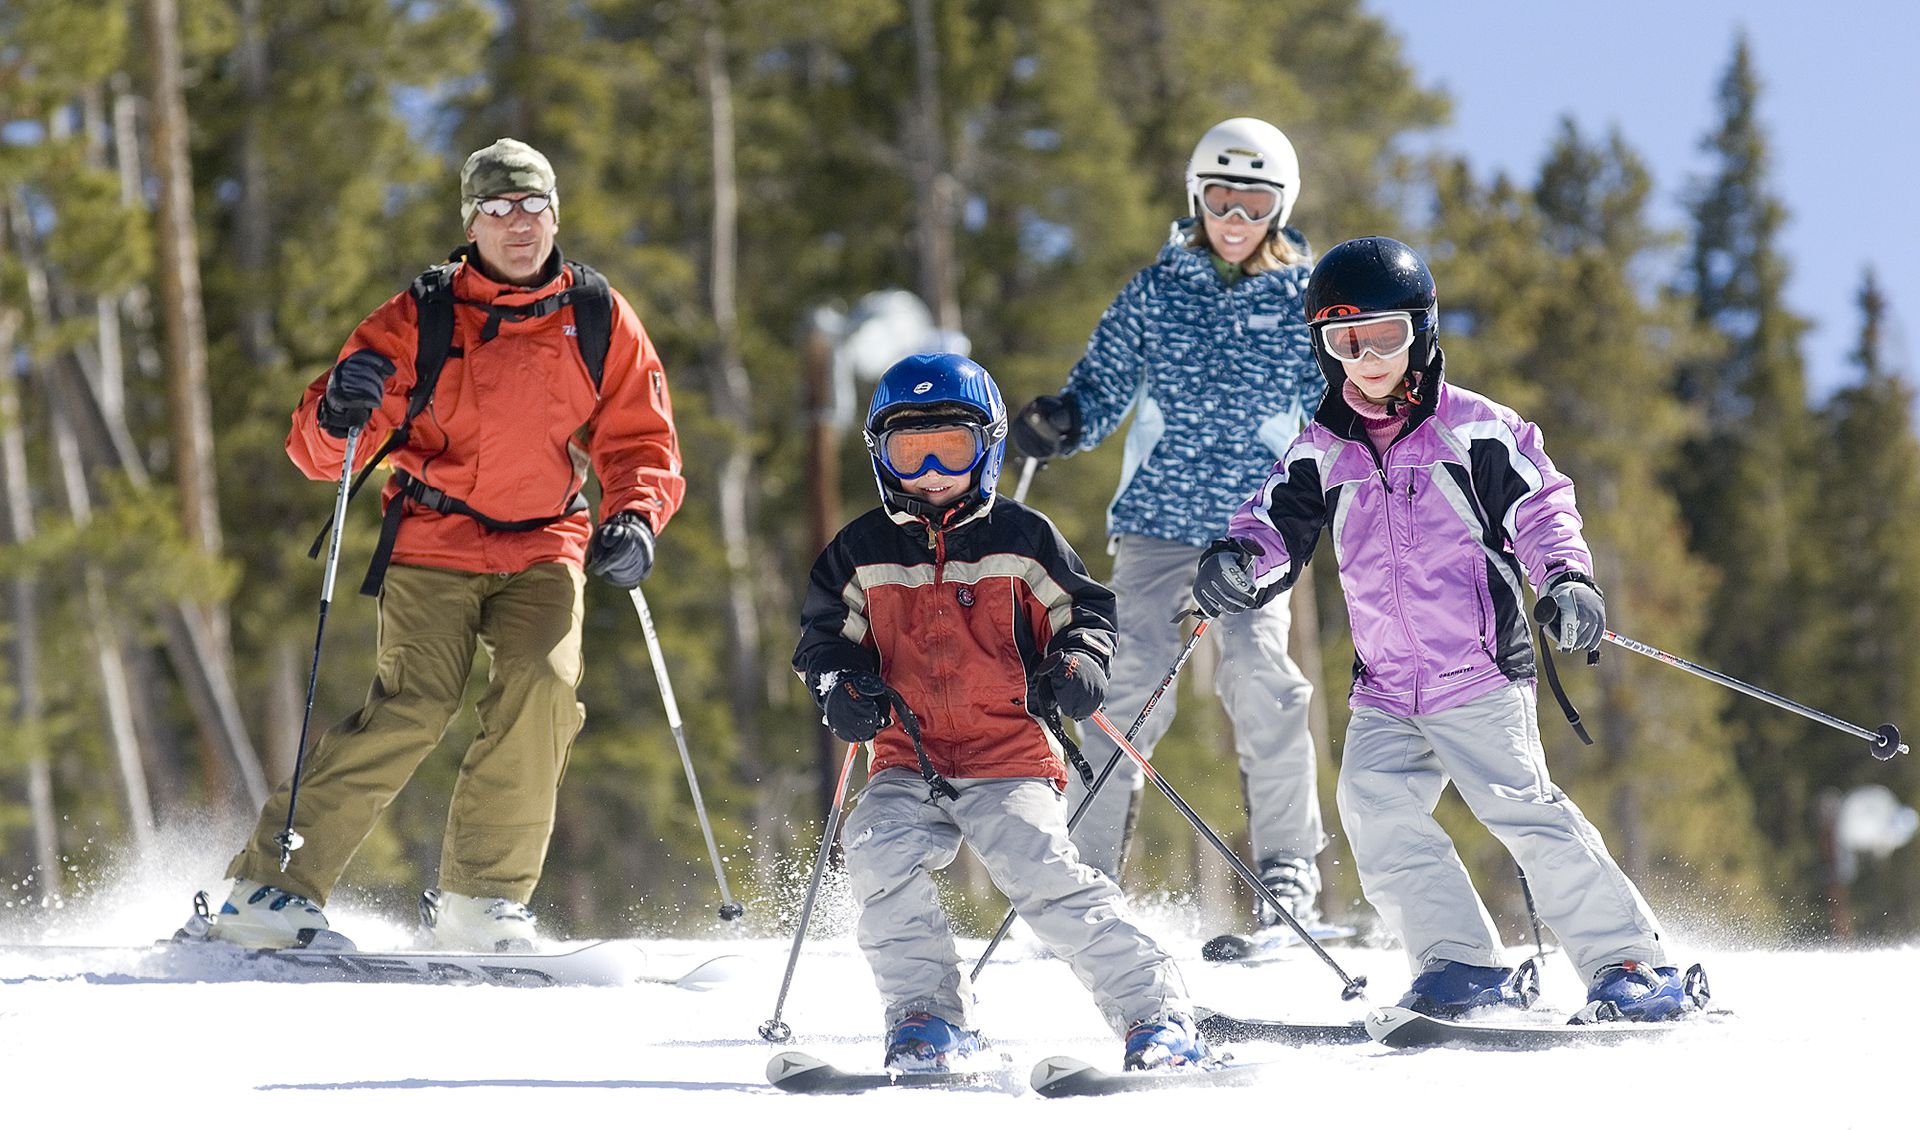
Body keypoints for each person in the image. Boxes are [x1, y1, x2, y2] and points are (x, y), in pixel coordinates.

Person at [1192, 235, 1707, 1022]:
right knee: (1371, 804)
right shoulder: (1321, 448)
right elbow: (1274, 530)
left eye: (1385, 337)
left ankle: (1629, 962)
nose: (1366, 358)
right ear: (1325, 348)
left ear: (1422, 331)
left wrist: (1566, 578)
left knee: (1522, 809)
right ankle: (1461, 964)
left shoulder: (1476, 429)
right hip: (1386, 685)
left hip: (1478, 671)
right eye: (1344, 341)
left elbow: (1542, 505)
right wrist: (1238, 564)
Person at [189, 138, 684, 953]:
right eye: (498, 209)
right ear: (471, 222)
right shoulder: (420, 314)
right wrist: (339, 409)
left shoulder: (598, 315)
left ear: (555, 214)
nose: (517, 224)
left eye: (532, 207)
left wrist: (633, 516)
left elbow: (641, 440)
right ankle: (268, 892)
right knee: (414, 706)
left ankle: (482, 902)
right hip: (435, 536)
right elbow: (318, 452)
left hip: (546, 540)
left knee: (545, 689)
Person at [795, 352, 1208, 1072]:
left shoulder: (1024, 539)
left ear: (986, 446)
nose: (929, 467)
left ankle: (1156, 1013)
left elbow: (1084, 614)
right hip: (907, 757)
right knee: (874, 848)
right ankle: (928, 1015)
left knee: (1041, 872)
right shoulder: (859, 551)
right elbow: (826, 640)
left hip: (1008, 754)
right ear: (879, 455)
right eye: (907, 448)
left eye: (950, 446)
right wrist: (842, 687)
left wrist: (1078, 666)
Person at [1009, 117, 1330, 930]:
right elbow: (1103, 384)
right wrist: (1063, 419)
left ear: (1279, 208)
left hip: (1254, 532)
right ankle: (1085, 872)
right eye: (1220, 197)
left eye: (1253, 202)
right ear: (1197, 196)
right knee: (1123, 689)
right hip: (1155, 524)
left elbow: (1338, 410)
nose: (1233, 217)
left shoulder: (1303, 299)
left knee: (1264, 679)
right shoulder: (1158, 290)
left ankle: (1288, 868)